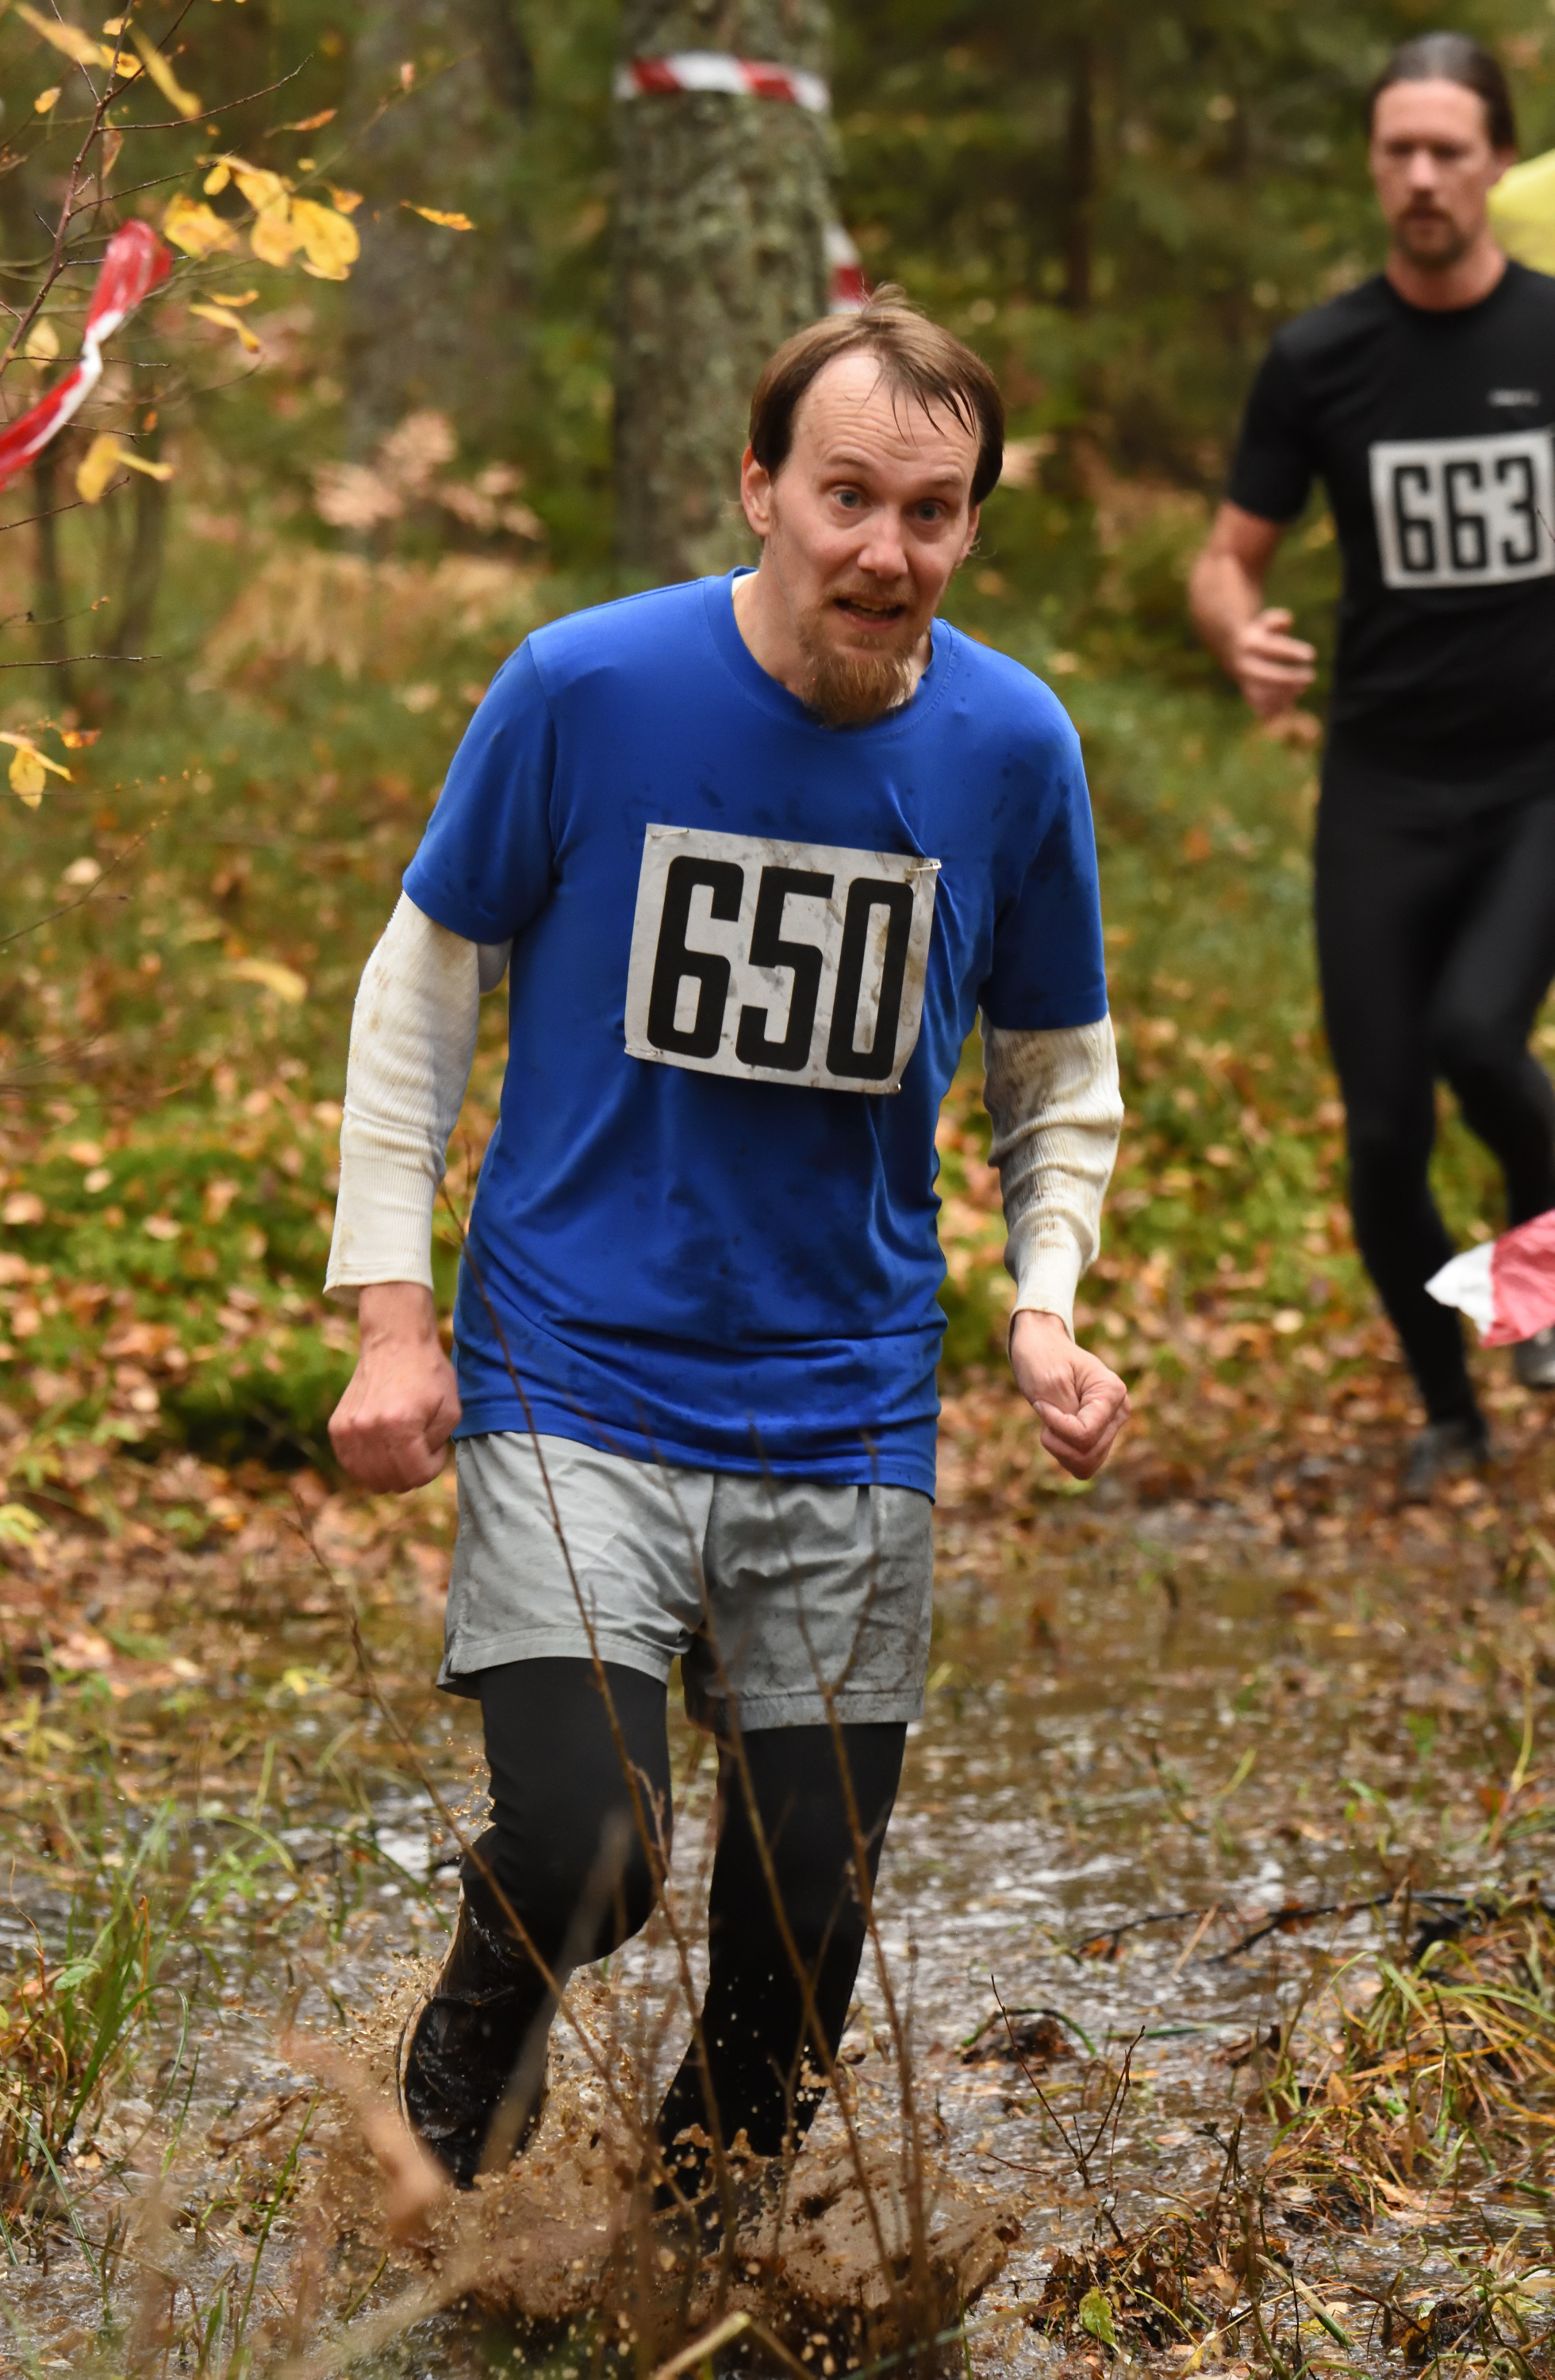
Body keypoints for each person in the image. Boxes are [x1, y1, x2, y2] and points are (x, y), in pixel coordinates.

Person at [324, 290, 1129, 2208]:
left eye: (930, 513)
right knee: (586, 1848)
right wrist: (391, 1320)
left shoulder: (1014, 747)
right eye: (847, 496)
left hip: (845, 1405)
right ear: (758, 485)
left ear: (970, 528)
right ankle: (430, 2178)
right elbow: (417, 995)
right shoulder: (585, 688)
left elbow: (1057, 1065)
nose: (885, 552)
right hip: (573, 1374)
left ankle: (694, 2276)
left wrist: (1042, 1303)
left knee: (801, 1941)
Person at [1190, 33, 1555, 1501]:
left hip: (1540, 777)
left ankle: (1538, 1271)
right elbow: (1228, 557)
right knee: (1387, 1135)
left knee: (1482, 1036)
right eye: (1397, 149)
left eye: (1448, 150)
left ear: (1498, 161)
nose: (1420, 176)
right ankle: (1450, 1411)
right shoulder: (1320, 359)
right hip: (1385, 787)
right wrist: (1238, 633)